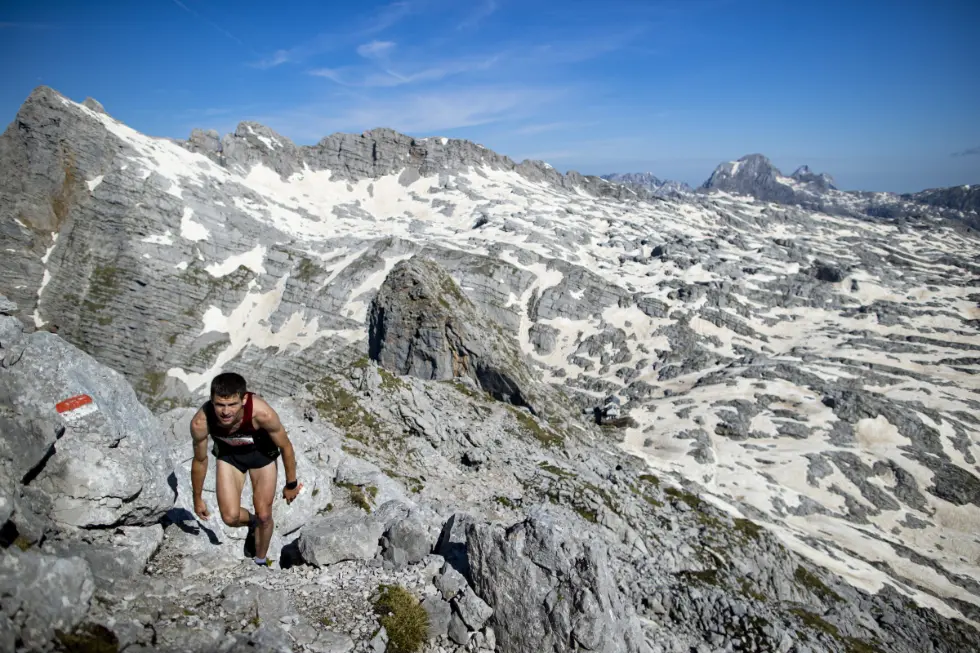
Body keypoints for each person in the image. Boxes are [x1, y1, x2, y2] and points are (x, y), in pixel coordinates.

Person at [190, 372, 302, 566]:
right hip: (229, 457)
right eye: (219, 405)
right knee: (230, 517)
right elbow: (200, 460)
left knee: (265, 515)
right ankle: (251, 523)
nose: (226, 412)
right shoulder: (201, 422)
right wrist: (197, 498)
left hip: (261, 456)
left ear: (243, 399)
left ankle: (259, 562)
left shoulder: (262, 414)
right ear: (211, 401)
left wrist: (291, 483)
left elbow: (285, 446)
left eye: (232, 404)